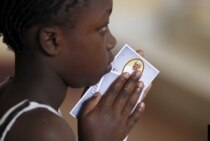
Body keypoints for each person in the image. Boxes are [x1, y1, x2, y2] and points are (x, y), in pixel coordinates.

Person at [0, 0, 151, 141]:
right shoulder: (45, 131)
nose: (112, 41)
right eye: (103, 28)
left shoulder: (8, 93)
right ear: (52, 41)